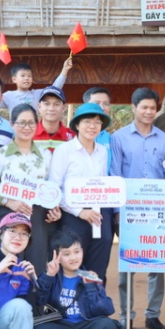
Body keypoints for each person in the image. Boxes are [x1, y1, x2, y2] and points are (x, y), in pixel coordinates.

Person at [111, 86, 165, 329]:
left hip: (157, 212)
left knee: (157, 265)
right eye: (144, 107)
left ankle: (153, 314)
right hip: (129, 212)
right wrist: (117, 212)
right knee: (128, 264)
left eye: (152, 108)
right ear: (133, 108)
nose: (149, 112)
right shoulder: (119, 138)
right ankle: (126, 316)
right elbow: (115, 174)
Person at [0, 103, 63, 276]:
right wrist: (8, 202)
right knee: (8, 266)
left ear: (37, 124)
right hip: (8, 217)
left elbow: (52, 189)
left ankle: (35, 303)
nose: (26, 127)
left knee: (36, 266)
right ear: (12, 124)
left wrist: (55, 209)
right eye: (21, 123)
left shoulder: (46, 155)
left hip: (38, 217)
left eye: (31, 123)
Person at [34, 229, 121, 329]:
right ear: (57, 256)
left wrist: (91, 288)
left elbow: (106, 309)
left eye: (77, 251)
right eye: (66, 254)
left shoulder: (89, 277)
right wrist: (48, 277)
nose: (73, 257)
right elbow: (39, 304)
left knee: (108, 325)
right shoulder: (51, 276)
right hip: (60, 328)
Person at [49, 102, 116, 282]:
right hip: (73, 217)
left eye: (97, 122)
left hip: (99, 215)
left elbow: (102, 183)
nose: (92, 126)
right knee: (72, 266)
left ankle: (95, 305)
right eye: (87, 121)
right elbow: (55, 188)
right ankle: (71, 308)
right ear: (77, 125)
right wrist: (80, 212)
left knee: (98, 266)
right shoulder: (64, 151)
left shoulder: (102, 151)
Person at [2, 58, 74, 111]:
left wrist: (65, 70)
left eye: (29, 76)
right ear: (14, 79)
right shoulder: (8, 95)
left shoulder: (36, 94)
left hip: (34, 130)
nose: (26, 78)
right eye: (23, 76)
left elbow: (54, 89)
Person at [31, 86, 74, 163]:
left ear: (64, 108)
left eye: (56, 104)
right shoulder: (28, 134)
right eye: (47, 104)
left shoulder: (73, 137)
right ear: (39, 107)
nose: (51, 108)